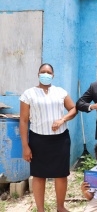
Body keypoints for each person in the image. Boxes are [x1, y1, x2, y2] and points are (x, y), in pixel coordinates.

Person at [20, 63, 77, 212]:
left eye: (48, 72)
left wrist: (62, 120)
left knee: (61, 174)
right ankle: (40, 209)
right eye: (43, 72)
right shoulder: (28, 94)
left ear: (53, 75)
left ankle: (60, 207)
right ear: (38, 74)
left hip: (60, 139)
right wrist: (25, 146)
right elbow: (24, 121)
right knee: (39, 175)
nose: (45, 74)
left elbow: (73, 109)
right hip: (38, 140)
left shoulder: (60, 92)